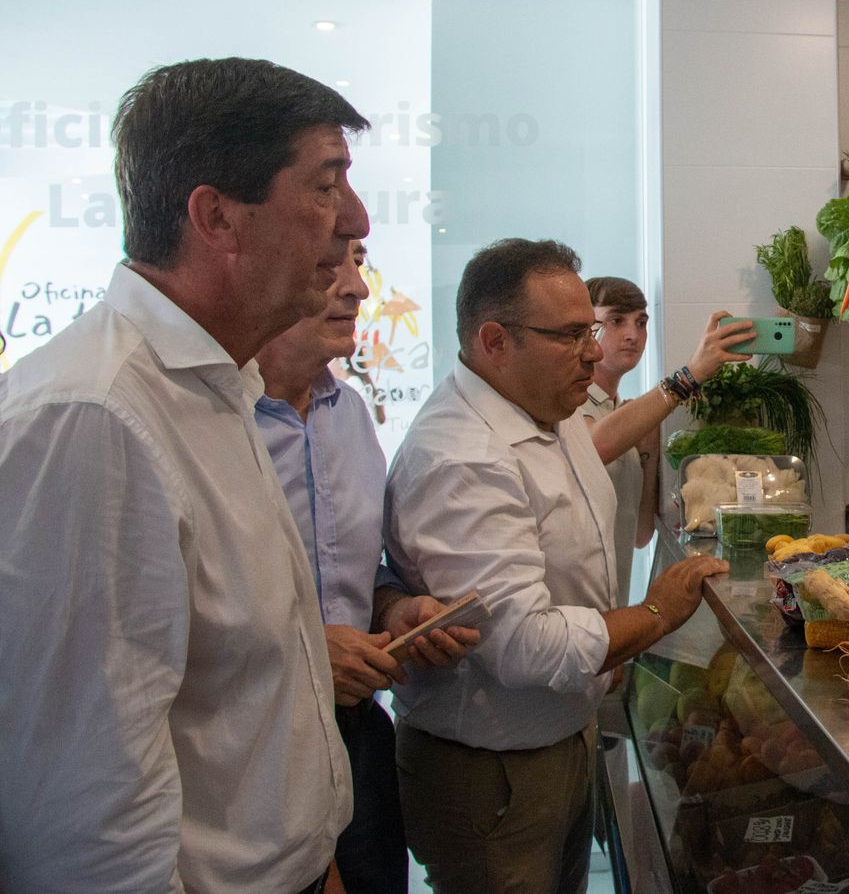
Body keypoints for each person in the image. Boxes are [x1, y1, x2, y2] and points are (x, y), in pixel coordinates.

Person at [0, 57, 369, 893]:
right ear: (217, 217)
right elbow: (83, 816)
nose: (357, 221)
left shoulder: (218, 388)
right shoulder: (93, 418)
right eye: (325, 186)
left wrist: (317, 853)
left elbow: (237, 703)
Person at [383, 238, 733, 893]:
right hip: (495, 774)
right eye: (573, 335)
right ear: (494, 341)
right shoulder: (465, 459)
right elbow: (526, 647)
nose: (596, 351)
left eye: (593, 331)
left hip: (562, 736)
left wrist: (688, 379)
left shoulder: (550, 406)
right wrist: (655, 613)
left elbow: (605, 439)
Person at [255, 239, 482, 892]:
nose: (357, 288)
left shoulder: (348, 413)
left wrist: (396, 606)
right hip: (258, 751)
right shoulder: (215, 426)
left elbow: (362, 567)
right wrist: (305, 655)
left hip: (359, 740)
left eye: (362, 263)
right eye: (332, 264)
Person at [580, 275, 755, 606]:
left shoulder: (625, 413)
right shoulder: (570, 401)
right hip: (570, 610)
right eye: (616, 321)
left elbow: (640, 534)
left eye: (641, 322)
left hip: (611, 604)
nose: (633, 335)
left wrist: (646, 456)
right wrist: (689, 376)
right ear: (586, 329)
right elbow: (594, 447)